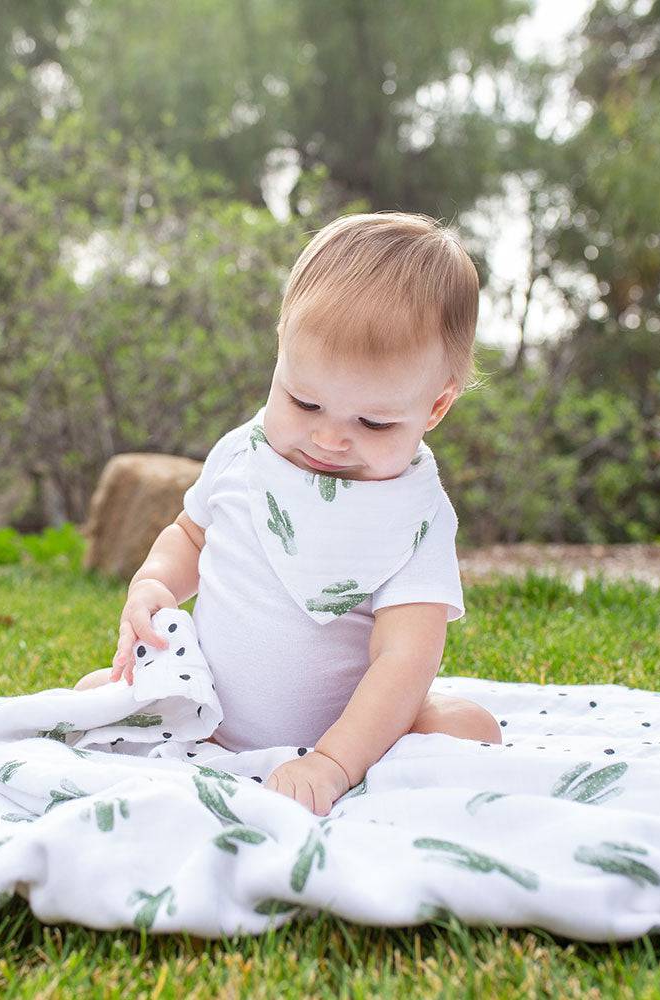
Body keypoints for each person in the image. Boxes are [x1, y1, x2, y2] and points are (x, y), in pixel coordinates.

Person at [74, 211, 501, 816]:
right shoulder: (244, 457)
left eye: (373, 423)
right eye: (304, 402)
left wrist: (332, 762)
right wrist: (154, 583)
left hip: (349, 734)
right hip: (211, 718)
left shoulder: (417, 518)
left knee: (468, 728)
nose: (328, 439)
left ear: (434, 408)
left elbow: (406, 659)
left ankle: (361, 759)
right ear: (280, 355)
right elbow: (190, 536)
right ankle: (202, 740)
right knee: (95, 698)